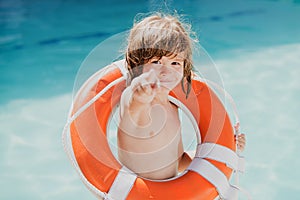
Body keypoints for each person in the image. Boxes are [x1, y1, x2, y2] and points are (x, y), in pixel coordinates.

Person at [117, 13, 246, 180]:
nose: (166, 71)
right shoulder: (134, 100)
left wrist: (225, 147)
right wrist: (141, 91)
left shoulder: (171, 105)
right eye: (156, 62)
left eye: (175, 63)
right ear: (137, 63)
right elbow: (134, 103)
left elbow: (178, 161)